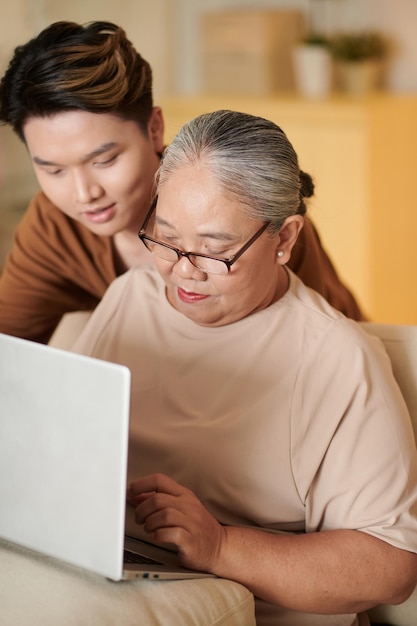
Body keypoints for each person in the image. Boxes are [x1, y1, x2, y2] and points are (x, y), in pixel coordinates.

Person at [71, 110, 417, 626]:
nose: (183, 270)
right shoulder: (130, 298)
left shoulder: (336, 358)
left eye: (216, 250)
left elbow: (389, 566)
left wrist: (219, 547)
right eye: (165, 238)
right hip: (105, 581)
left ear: (284, 239)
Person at [0, 20, 366, 345]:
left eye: (105, 160)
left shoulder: (242, 206)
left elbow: (334, 345)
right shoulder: (53, 226)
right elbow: (10, 343)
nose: (84, 194)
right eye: (53, 170)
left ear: (154, 128)